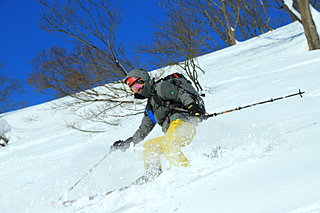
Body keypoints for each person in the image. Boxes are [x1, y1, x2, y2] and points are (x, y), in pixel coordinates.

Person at [110, 68, 206, 182]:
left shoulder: (161, 87)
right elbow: (143, 131)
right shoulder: (150, 108)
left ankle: (186, 171)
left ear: (144, 80)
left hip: (184, 125)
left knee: (169, 143)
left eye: (137, 86)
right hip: (172, 131)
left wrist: (192, 106)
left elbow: (180, 93)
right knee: (150, 146)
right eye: (133, 90)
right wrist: (127, 143)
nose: (138, 91)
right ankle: (152, 174)